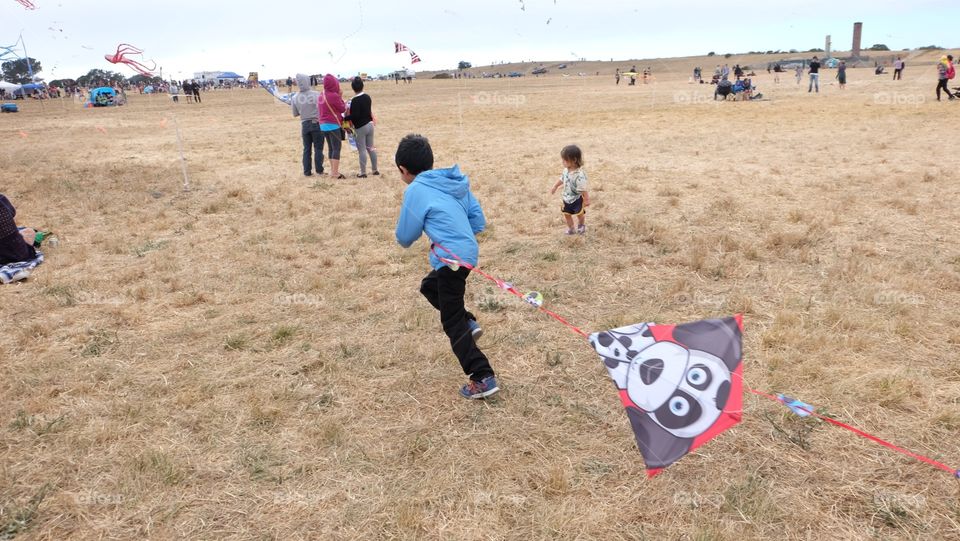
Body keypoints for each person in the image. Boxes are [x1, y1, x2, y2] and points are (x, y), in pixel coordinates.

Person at [393, 134, 498, 400]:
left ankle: (482, 376)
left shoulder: (416, 190)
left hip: (451, 260)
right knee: (429, 287)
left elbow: (406, 236)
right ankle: (468, 321)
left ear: (403, 169)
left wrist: (449, 239)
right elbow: (478, 221)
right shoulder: (453, 181)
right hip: (465, 254)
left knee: (451, 321)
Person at [344, 76, 379, 178]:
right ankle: (375, 170)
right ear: (362, 86)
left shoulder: (355, 100)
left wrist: (345, 118)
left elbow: (355, 115)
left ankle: (363, 172)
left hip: (360, 127)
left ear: (353, 88)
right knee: (371, 148)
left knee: (362, 150)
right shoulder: (367, 97)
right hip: (370, 125)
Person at [550, 145, 589, 235]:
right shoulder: (565, 170)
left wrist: (586, 199)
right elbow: (562, 179)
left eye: (565, 160)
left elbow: (583, 188)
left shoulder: (579, 175)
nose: (562, 162)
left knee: (580, 214)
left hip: (576, 199)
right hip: (566, 199)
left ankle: (581, 225)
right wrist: (555, 186)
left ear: (574, 160)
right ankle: (571, 229)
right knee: (567, 214)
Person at [291, 73, 324, 177]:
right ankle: (319, 170)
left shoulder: (295, 97)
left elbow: (295, 114)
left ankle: (307, 171)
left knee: (306, 149)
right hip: (316, 123)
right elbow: (322, 108)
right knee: (318, 148)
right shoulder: (317, 94)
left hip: (304, 124)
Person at [317, 74, 347, 179]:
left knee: (331, 148)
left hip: (323, 125)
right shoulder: (334, 96)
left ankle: (333, 170)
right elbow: (342, 108)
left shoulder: (321, 95)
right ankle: (335, 173)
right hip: (333, 125)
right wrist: (340, 97)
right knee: (336, 148)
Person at [0, 194, 37, 265]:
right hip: (21, 254)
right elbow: (13, 212)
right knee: (29, 231)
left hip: (2, 258)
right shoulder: (2, 198)